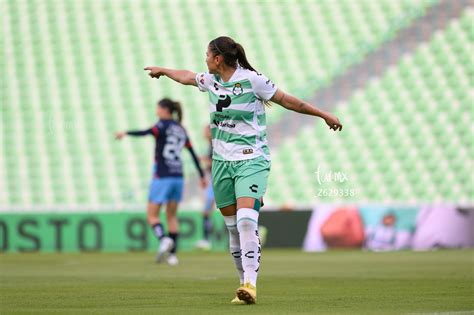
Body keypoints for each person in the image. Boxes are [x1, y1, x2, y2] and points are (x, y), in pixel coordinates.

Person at [144, 36, 342, 304]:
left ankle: (251, 284)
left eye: (207, 54)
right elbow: (187, 77)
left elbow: (288, 101)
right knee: (232, 229)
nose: (204, 59)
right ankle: (242, 284)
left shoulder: (252, 80)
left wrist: (323, 114)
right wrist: (164, 71)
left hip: (252, 160)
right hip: (221, 164)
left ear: (218, 59)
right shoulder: (211, 81)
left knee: (246, 221)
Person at [115, 98, 206, 265]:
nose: (156, 111)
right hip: (178, 177)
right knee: (172, 216)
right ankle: (172, 256)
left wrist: (125, 133)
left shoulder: (161, 125)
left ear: (165, 109)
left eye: (158, 108)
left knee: (152, 215)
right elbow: (192, 153)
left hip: (162, 176)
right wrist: (201, 176)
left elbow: (145, 132)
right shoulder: (180, 129)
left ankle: (164, 239)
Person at [195, 126, 215, 250]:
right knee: (207, 211)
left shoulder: (215, 145)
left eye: (206, 131)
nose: (204, 133)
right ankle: (206, 240)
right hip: (213, 179)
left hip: (217, 180)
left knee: (206, 211)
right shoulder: (211, 145)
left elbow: (216, 162)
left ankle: (206, 240)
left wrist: (204, 160)